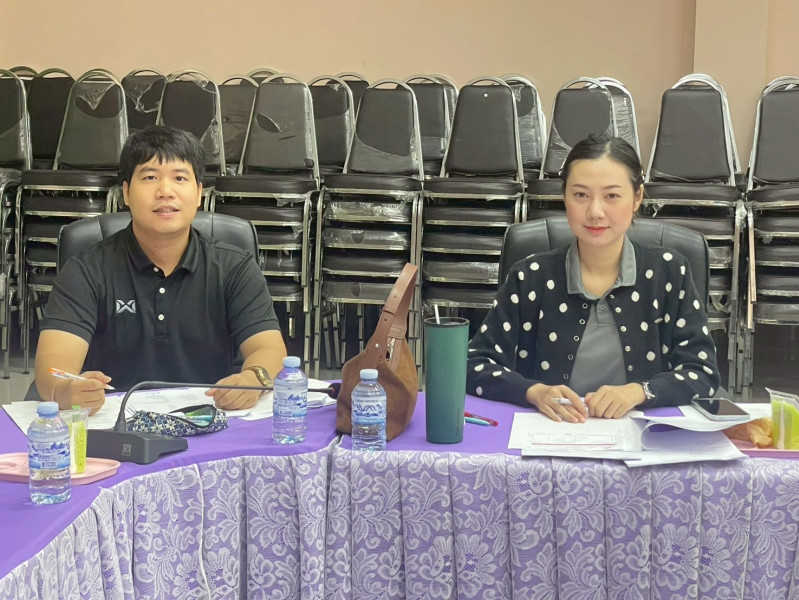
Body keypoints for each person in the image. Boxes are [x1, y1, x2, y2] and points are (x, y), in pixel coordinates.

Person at [466, 134, 720, 422]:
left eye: (611, 196)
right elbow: (474, 365)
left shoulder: (669, 272)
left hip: (641, 438)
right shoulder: (530, 276)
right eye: (580, 195)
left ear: (637, 197)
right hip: (551, 433)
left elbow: (702, 373)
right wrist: (533, 392)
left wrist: (640, 391)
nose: (595, 212)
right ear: (564, 197)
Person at [34, 125, 287, 413]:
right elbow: (54, 361)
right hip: (112, 422)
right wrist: (64, 390)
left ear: (199, 193)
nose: (165, 191)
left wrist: (254, 378)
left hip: (208, 418)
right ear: (126, 193)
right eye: (150, 177)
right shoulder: (86, 269)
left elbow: (269, 348)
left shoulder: (234, 267)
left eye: (180, 178)